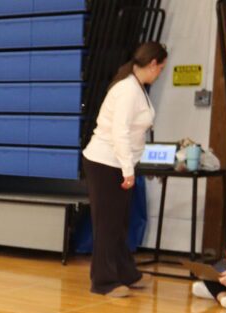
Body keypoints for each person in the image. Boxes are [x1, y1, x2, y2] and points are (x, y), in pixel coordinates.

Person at [82, 42, 168, 297]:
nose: (160, 73)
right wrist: (128, 170)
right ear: (153, 64)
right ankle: (103, 281)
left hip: (118, 163)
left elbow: (133, 134)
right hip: (106, 163)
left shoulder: (136, 87)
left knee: (120, 223)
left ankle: (126, 273)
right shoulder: (128, 90)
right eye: (161, 68)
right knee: (107, 224)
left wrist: (135, 165)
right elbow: (119, 132)